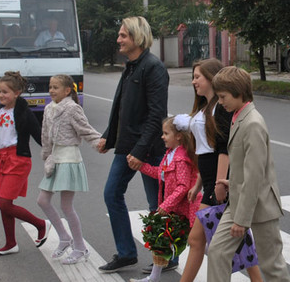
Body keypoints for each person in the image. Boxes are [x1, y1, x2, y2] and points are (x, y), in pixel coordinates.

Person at [173, 59, 264, 282]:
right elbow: (205, 150)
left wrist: (219, 183)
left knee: (198, 239)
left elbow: (223, 149)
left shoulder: (220, 108)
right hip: (210, 180)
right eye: (193, 77)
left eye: (197, 77)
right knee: (236, 239)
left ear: (211, 78)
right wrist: (198, 184)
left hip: (219, 180)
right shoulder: (205, 107)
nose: (193, 81)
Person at [97, 16, 169, 274]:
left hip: (149, 148)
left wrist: (140, 151)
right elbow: (121, 108)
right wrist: (109, 136)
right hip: (127, 146)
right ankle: (126, 253)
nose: (119, 40)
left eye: (123, 35)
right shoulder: (130, 66)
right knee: (111, 193)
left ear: (137, 37)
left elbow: (156, 115)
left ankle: (167, 256)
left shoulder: (153, 67)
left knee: (156, 204)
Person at [207, 66, 290, 282]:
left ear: (238, 93)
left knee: (272, 265)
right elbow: (244, 165)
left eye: (223, 96)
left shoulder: (253, 123)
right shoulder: (237, 115)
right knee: (217, 251)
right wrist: (232, 180)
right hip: (239, 199)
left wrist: (242, 221)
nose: (220, 102)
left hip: (261, 205)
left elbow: (255, 175)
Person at [37, 74, 102, 265]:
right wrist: (46, 155)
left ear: (67, 91)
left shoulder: (73, 108)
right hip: (54, 159)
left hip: (69, 159)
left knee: (66, 206)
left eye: (55, 87)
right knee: (42, 200)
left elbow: (86, 129)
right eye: (50, 87)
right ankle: (64, 237)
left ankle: (80, 247)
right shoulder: (49, 108)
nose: (51, 90)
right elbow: (45, 135)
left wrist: (101, 143)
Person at [0, 71, 50, 256]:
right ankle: (11, 243)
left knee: (5, 204)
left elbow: (39, 136)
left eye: (5, 92)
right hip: (4, 160)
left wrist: (54, 153)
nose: (0, 95)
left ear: (17, 93)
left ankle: (41, 224)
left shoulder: (24, 113)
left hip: (18, 160)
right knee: (3, 203)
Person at [130, 116, 201, 282]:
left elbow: (183, 186)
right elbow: (160, 174)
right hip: (176, 209)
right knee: (163, 240)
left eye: (165, 133)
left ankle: (228, 258)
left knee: (201, 244)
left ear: (178, 136)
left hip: (187, 209)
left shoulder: (181, 158)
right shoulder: (171, 153)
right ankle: (153, 278)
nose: (162, 136)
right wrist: (141, 166)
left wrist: (166, 205)